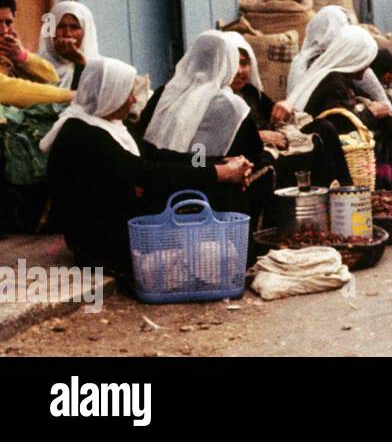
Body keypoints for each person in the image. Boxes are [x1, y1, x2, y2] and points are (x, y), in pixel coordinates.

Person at [42, 57, 251, 279]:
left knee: (216, 188)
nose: (133, 99)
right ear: (110, 94)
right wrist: (218, 174)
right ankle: (239, 264)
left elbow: (158, 156)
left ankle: (237, 261)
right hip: (99, 241)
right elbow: (147, 173)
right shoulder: (82, 133)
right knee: (210, 191)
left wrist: (219, 162)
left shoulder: (109, 124)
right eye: (128, 92)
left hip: (121, 217)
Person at [137, 31, 270, 221]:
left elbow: (143, 140)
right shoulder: (232, 107)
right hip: (212, 200)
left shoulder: (163, 94)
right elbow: (252, 152)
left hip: (159, 188)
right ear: (229, 63)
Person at [287, 26, 392, 192]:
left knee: (388, 119)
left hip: (343, 133)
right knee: (380, 136)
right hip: (329, 144)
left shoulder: (344, 79)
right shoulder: (332, 83)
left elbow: (378, 106)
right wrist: (370, 113)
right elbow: (339, 121)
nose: (367, 69)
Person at [225, 32, 352, 189]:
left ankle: (346, 194)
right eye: (233, 64)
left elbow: (275, 112)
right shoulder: (219, 101)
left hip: (278, 144)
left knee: (324, 129)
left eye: (244, 64)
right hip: (253, 153)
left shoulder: (250, 92)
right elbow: (217, 141)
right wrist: (259, 136)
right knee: (271, 162)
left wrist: (286, 107)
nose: (239, 71)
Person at [0, 0, 73, 107]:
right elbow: (6, 88)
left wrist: (22, 57)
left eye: (8, 23)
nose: (4, 30)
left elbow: (52, 79)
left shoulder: (8, 57)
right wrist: (71, 96)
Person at [37, 0, 99, 89]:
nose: (67, 34)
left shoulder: (99, 70)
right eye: (60, 27)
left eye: (74, 27)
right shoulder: (35, 66)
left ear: (86, 32)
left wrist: (80, 63)